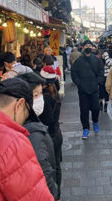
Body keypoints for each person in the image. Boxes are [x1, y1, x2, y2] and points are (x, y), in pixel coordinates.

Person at [19, 73, 59, 200]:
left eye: (40, 94)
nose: (40, 98)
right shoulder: (35, 133)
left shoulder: (34, 129)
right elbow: (46, 172)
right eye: (36, 95)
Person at [39, 66, 63, 198]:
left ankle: (52, 195)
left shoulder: (44, 100)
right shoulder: (55, 94)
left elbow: (47, 120)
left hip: (49, 135)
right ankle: (57, 194)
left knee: (49, 168)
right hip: (56, 133)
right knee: (57, 166)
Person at [71, 40, 103, 139]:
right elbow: (74, 73)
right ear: (83, 47)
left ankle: (95, 122)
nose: (88, 47)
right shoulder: (78, 61)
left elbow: (101, 72)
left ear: (92, 47)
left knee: (96, 108)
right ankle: (85, 128)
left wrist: (97, 82)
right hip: (83, 90)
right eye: (86, 46)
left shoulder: (97, 60)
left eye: (89, 45)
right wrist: (79, 84)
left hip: (94, 89)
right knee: (84, 110)